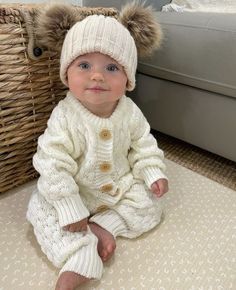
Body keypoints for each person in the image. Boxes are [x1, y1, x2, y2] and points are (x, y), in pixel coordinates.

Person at [27, 3, 168, 290]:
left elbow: (144, 144)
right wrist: (67, 204)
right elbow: (52, 161)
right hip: (76, 190)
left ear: (128, 78)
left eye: (112, 67)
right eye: (84, 65)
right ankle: (79, 255)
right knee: (40, 208)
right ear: (67, 72)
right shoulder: (65, 116)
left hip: (119, 186)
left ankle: (106, 225)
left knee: (153, 203)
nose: (97, 76)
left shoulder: (129, 112)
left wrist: (153, 171)